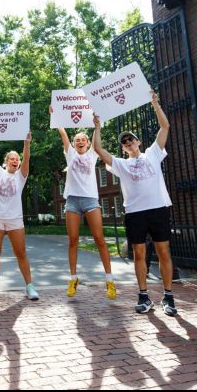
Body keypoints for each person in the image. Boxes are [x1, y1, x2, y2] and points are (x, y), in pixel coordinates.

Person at [92, 89, 178, 316]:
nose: (129, 143)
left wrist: (155, 105)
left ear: (138, 142)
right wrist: (98, 128)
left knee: (163, 252)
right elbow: (98, 149)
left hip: (158, 209)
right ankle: (144, 296)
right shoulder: (121, 164)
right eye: (125, 143)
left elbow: (165, 127)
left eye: (131, 140)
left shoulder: (153, 153)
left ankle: (168, 297)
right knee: (139, 255)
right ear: (123, 148)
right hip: (135, 213)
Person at [50, 106, 116, 300]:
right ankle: (73, 278)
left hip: (90, 200)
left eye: (83, 140)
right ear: (73, 143)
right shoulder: (69, 153)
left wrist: (97, 126)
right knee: (73, 240)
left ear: (87, 143)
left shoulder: (92, 154)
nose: (80, 141)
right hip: (72, 201)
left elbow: (98, 140)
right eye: (77, 139)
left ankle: (110, 280)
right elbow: (62, 132)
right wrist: (55, 115)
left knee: (100, 239)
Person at [0, 131, 39, 301]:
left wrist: (27, 142)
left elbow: (27, 159)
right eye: (11, 158)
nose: (15, 160)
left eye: (17, 159)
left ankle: (30, 286)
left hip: (15, 220)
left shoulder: (21, 176)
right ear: (6, 162)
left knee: (21, 253)